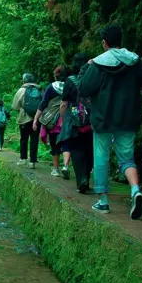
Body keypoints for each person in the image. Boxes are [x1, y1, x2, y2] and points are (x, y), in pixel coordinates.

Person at [78, 25, 142, 219]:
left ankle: (103, 201)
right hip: (128, 118)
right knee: (127, 159)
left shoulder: (98, 64)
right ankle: (135, 190)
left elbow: (83, 88)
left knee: (101, 157)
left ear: (104, 42)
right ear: (120, 40)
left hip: (103, 119)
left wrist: (86, 67)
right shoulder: (135, 61)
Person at [58, 54, 94, 194]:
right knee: (89, 150)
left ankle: (81, 181)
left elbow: (64, 104)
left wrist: (63, 120)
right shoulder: (93, 78)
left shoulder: (69, 81)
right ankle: (86, 176)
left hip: (75, 121)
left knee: (76, 150)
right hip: (91, 120)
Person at [33, 66, 71, 179]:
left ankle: (55, 169)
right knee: (66, 143)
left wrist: (36, 119)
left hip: (54, 120)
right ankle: (66, 166)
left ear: (56, 75)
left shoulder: (51, 87)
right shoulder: (72, 85)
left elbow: (43, 103)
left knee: (54, 144)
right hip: (68, 118)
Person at [11, 73, 41, 169]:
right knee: (34, 140)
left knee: (24, 139)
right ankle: (32, 161)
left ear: (24, 81)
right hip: (37, 118)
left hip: (24, 119)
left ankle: (23, 159)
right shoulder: (39, 89)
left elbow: (15, 106)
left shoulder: (21, 90)